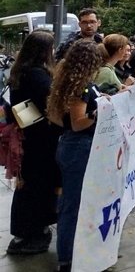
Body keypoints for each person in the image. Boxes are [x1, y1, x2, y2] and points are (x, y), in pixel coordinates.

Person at [46, 40, 104, 272]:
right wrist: (97, 113)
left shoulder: (68, 82)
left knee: (72, 202)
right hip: (79, 148)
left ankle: (71, 253)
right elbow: (78, 123)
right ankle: (67, 259)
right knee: (72, 204)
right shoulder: (82, 87)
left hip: (70, 145)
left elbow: (59, 119)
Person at [6, 30, 62, 256]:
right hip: (42, 141)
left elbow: (22, 111)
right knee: (38, 186)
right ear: (45, 51)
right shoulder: (38, 75)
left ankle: (26, 230)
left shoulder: (21, 71)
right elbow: (52, 105)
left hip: (30, 135)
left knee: (28, 185)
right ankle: (32, 231)